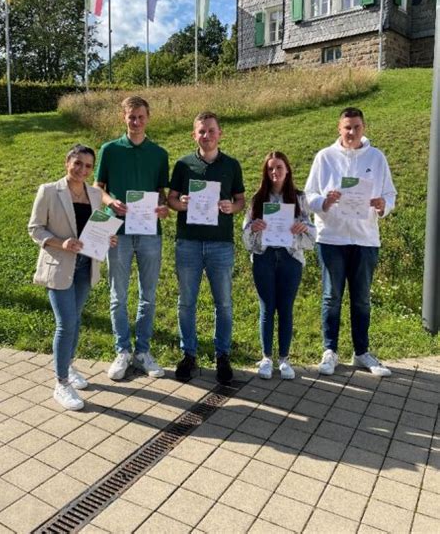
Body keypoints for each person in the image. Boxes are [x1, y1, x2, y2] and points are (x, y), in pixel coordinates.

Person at [305, 107, 397, 377]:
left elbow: (390, 194)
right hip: (331, 238)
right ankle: (330, 351)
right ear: (339, 128)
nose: (351, 132)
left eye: (356, 127)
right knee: (331, 297)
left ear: (364, 128)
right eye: (347, 127)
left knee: (361, 300)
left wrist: (383, 205)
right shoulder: (325, 158)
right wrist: (325, 201)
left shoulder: (377, 158)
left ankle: (361, 353)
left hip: (365, 239)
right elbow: (309, 196)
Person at [28, 144, 115, 411]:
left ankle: (67, 365)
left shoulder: (94, 193)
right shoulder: (49, 191)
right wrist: (60, 243)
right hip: (59, 266)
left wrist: (106, 239)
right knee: (65, 322)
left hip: (84, 267)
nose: (82, 170)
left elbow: (96, 228)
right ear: (67, 162)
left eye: (88, 166)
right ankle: (61, 383)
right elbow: (35, 229)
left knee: (75, 320)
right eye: (77, 163)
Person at [94, 96, 169, 380]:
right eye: (131, 117)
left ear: (148, 118)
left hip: (150, 233)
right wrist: (110, 201)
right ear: (123, 118)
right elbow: (97, 187)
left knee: (147, 297)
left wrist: (162, 207)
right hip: (118, 233)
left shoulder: (159, 154)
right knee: (118, 296)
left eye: (140, 117)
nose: (135, 122)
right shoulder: (109, 150)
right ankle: (122, 350)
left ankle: (143, 352)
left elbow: (161, 193)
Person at [168, 111, 245, 384]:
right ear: (194, 135)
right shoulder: (183, 165)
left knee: (223, 303)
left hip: (220, 244)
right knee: (186, 302)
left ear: (220, 133)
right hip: (188, 242)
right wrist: (182, 203)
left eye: (211, 130)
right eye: (201, 131)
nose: (207, 136)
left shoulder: (231, 165)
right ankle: (188, 354)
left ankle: (222, 355)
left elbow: (240, 201)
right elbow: (171, 200)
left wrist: (230, 207)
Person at [243, 151, 315, 380]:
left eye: (279, 168)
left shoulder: (299, 198)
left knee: (285, 308)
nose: (275, 172)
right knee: (267, 308)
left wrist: (303, 228)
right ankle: (266, 358)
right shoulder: (258, 199)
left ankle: (284, 359)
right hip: (264, 258)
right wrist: (253, 227)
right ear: (266, 172)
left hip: (290, 258)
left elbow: (313, 236)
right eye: (270, 168)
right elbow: (245, 238)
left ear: (287, 170)